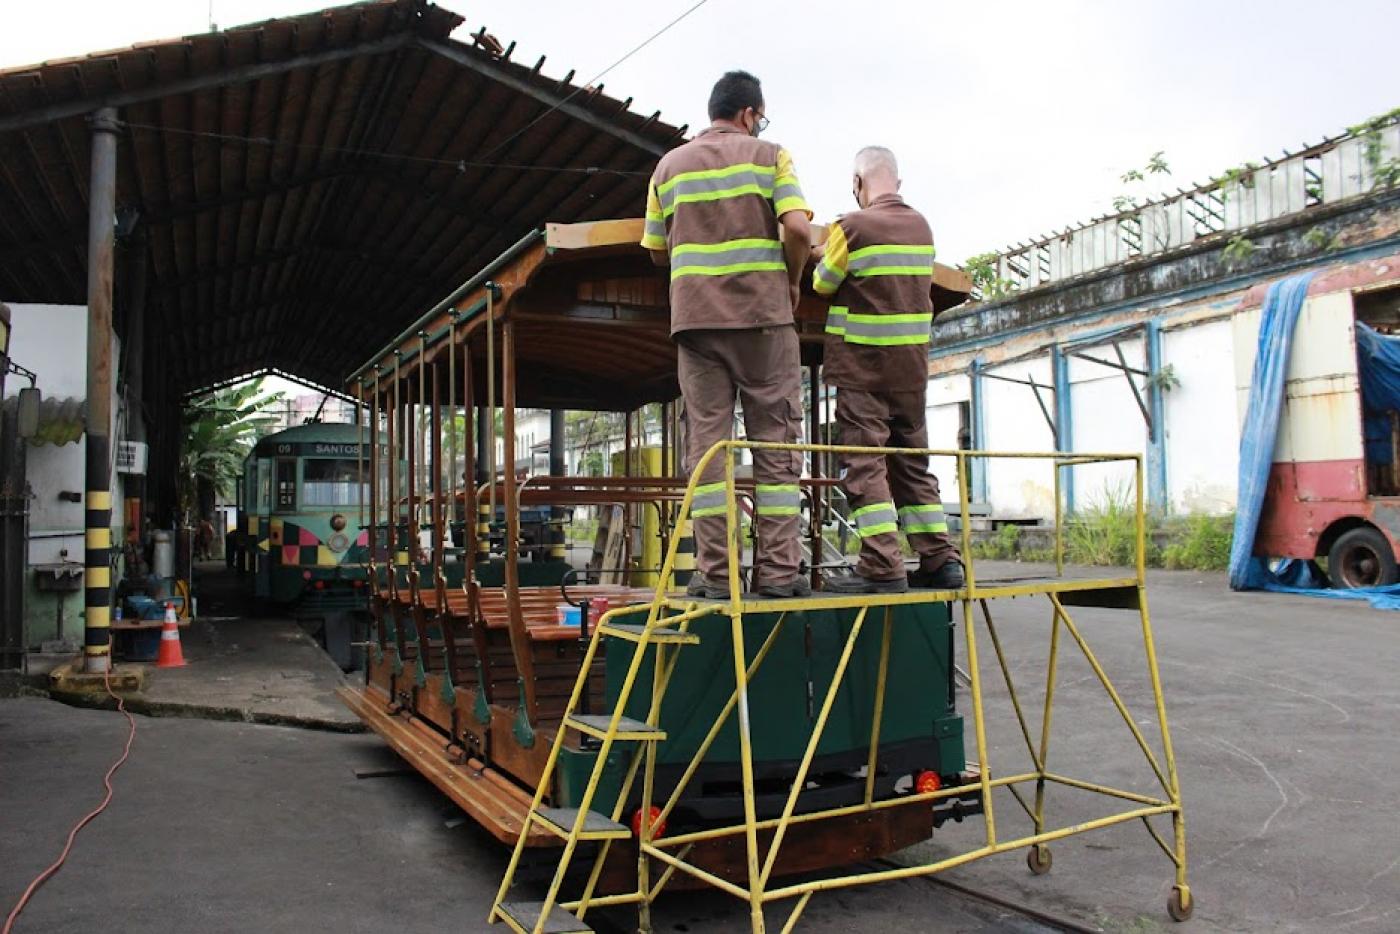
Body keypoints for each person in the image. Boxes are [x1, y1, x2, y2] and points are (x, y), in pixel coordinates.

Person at [641, 70, 813, 599]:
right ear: (748, 114)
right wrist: (793, 281)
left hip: (695, 326)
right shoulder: (770, 155)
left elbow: (654, 248)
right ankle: (780, 574)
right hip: (763, 320)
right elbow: (800, 229)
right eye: (760, 117)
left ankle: (715, 576)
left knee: (708, 449)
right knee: (775, 443)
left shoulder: (668, 167)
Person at [812, 146, 965, 593]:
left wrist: (824, 250)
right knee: (912, 465)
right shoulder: (922, 227)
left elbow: (822, 284)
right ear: (897, 183)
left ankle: (882, 563)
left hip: (862, 371)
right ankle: (940, 558)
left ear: (858, 184)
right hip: (910, 373)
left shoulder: (851, 227)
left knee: (865, 464)